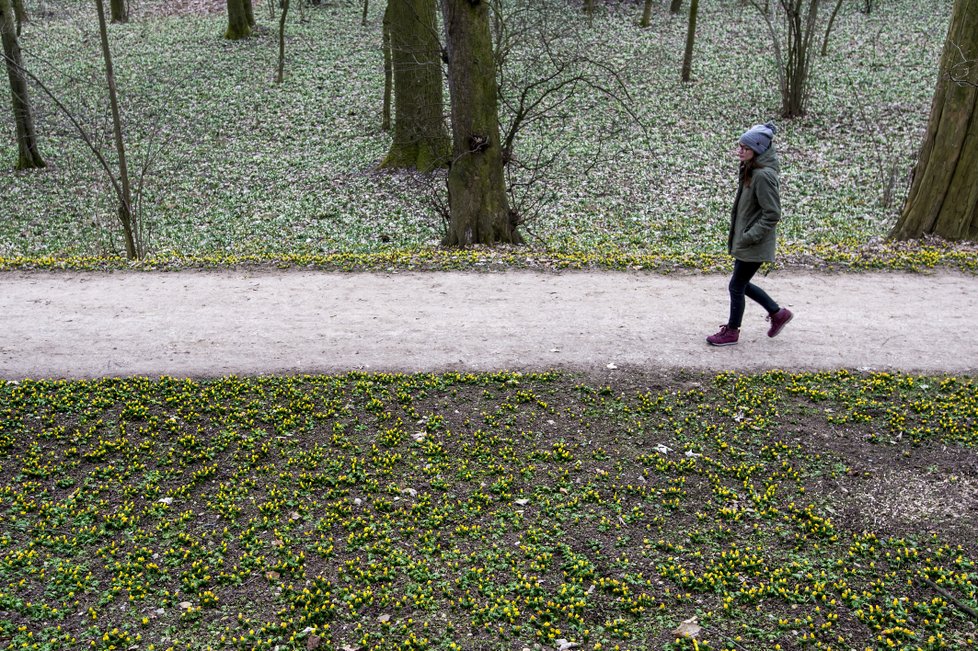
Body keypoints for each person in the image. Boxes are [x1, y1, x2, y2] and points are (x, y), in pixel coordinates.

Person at [707, 122, 793, 347]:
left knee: (736, 285)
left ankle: (732, 332)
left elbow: (772, 213)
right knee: (740, 284)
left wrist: (749, 236)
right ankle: (777, 313)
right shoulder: (751, 171)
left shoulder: (763, 176)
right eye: (739, 146)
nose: (740, 150)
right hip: (748, 239)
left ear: (758, 149)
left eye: (745, 147)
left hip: (754, 241)